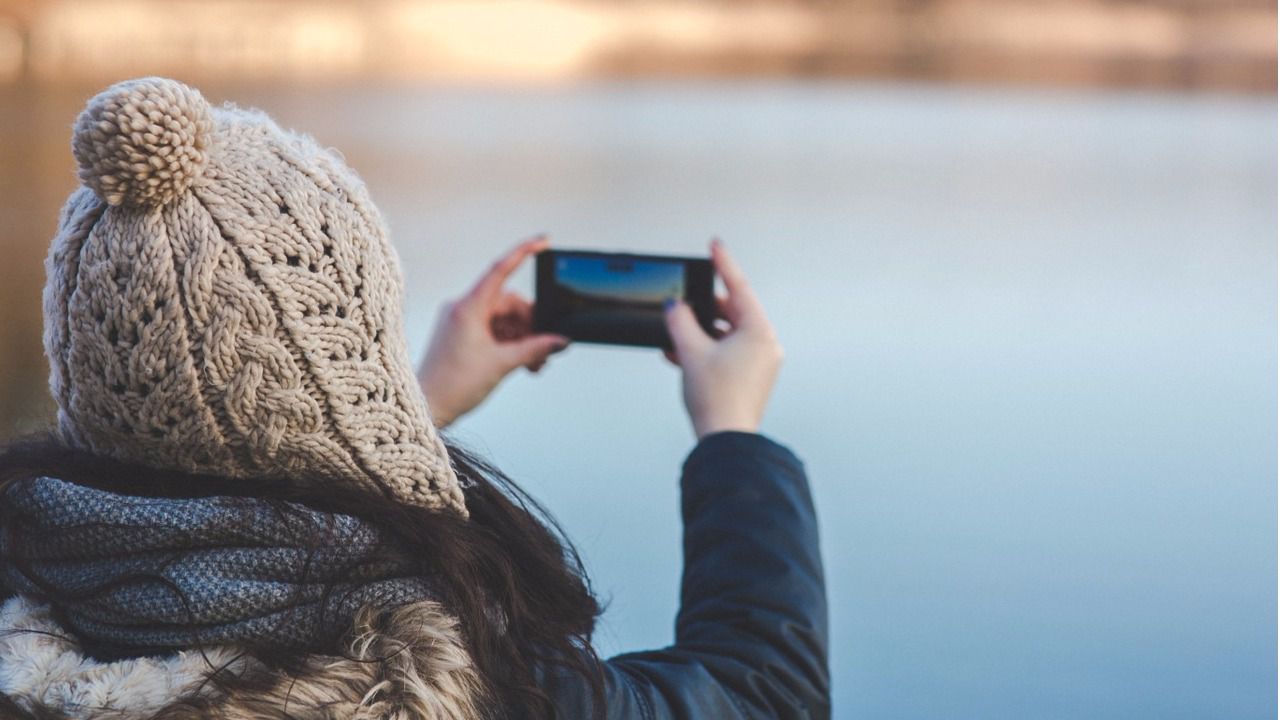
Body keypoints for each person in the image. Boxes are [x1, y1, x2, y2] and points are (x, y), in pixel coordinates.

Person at [0, 77, 828, 720]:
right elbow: (759, 692)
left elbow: (218, 499)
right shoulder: (472, 683)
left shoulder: (26, 616)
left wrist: (422, 403)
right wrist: (732, 436)